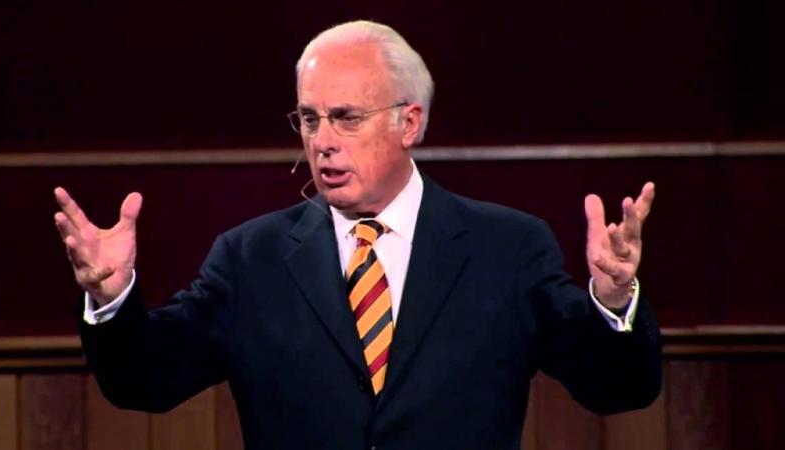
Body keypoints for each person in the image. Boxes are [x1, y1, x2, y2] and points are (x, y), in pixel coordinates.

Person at [53, 20, 661, 450]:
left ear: (409, 123)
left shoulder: (507, 249)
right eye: (309, 119)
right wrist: (111, 296)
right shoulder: (251, 258)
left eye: (346, 118)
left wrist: (613, 301)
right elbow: (146, 381)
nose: (322, 141)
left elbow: (617, 388)